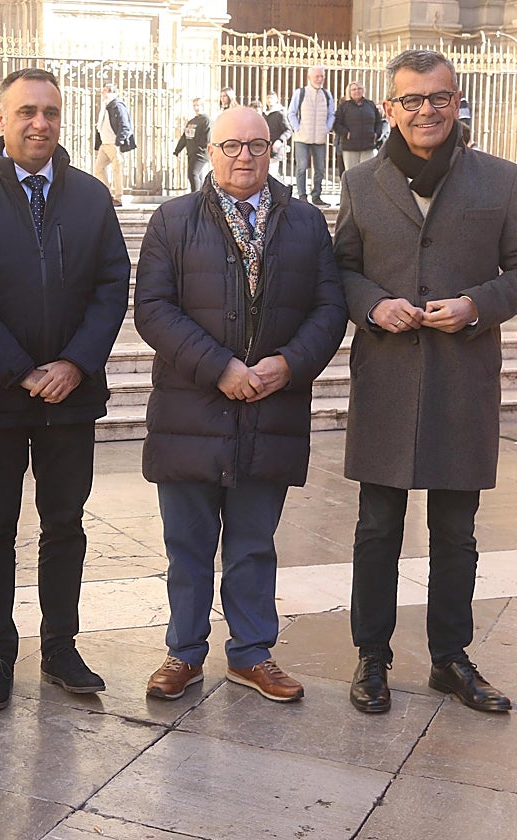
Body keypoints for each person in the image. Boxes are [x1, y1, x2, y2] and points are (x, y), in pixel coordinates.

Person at [334, 49, 517, 715]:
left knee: (457, 532)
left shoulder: (501, 180)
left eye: (439, 97)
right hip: (387, 378)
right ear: (389, 109)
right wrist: (371, 303)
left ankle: (450, 658)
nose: (427, 110)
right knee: (376, 527)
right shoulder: (361, 182)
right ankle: (372, 656)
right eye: (412, 100)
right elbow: (341, 268)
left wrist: (478, 304)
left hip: (461, 379)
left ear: (458, 100)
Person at [135, 107, 346, 704]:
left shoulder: (305, 223)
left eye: (256, 145)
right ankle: (184, 652)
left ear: (274, 149)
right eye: (231, 145)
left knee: (255, 543)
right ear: (210, 149)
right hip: (190, 412)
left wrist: (290, 363)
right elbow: (153, 309)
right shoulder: (173, 220)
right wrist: (219, 368)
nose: (244, 156)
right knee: (188, 544)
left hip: (271, 411)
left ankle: (252, 654)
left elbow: (329, 308)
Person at [0, 68, 130, 711]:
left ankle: (61, 647)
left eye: (49, 112)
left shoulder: (91, 197)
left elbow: (111, 287)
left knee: (65, 523)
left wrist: (74, 364)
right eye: (26, 111)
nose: (38, 123)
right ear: (1, 118)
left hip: (71, 396)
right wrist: (21, 369)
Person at [287, 66, 335, 205]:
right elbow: (291, 113)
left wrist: (327, 128)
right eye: (317, 76)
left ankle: (316, 195)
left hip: (319, 138)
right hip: (302, 137)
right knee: (302, 166)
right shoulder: (300, 93)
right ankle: (302, 196)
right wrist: (298, 128)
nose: (320, 79)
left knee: (319, 168)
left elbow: (331, 114)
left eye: (322, 76)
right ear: (309, 78)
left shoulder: (327, 94)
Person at [93, 83, 135, 206]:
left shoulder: (117, 105)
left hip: (113, 144)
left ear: (111, 92)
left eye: (104, 91)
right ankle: (108, 194)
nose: (102, 93)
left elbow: (125, 125)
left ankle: (118, 197)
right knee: (99, 169)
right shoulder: (106, 106)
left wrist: (119, 143)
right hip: (105, 144)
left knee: (117, 170)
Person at [333, 81, 383, 171]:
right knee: (352, 173)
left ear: (363, 90)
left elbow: (378, 122)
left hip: (368, 146)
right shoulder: (344, 107)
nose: (357, 91)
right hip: (350, 147)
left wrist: (376, 134)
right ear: (349, 92)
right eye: (354, 89)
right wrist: (346, 133)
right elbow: (336, 124)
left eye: (359, 89)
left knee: (367, 173)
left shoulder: (370, 105)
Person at [174, 98, 211, 192]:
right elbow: (185, 137)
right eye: (194, 105)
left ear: (203, 106)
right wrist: (177, 149)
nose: (196, 108)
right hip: (191, 153)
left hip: (200, 153)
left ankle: (195, 196)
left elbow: (207, 138)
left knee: (193, 173)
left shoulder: (206, 120)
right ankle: (201, 196)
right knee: (198, 175)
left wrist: (200, 148)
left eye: (198, 105)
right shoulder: (192, 121)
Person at [263, 91, 292, 179]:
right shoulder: (264, 113)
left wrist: (280, 140)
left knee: (272, 173)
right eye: (268, 98)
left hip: (275, 148)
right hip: (264, 147)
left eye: (271, 98)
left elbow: (288, 130)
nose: (269, 100)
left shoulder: (280, 113)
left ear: (276, 100)